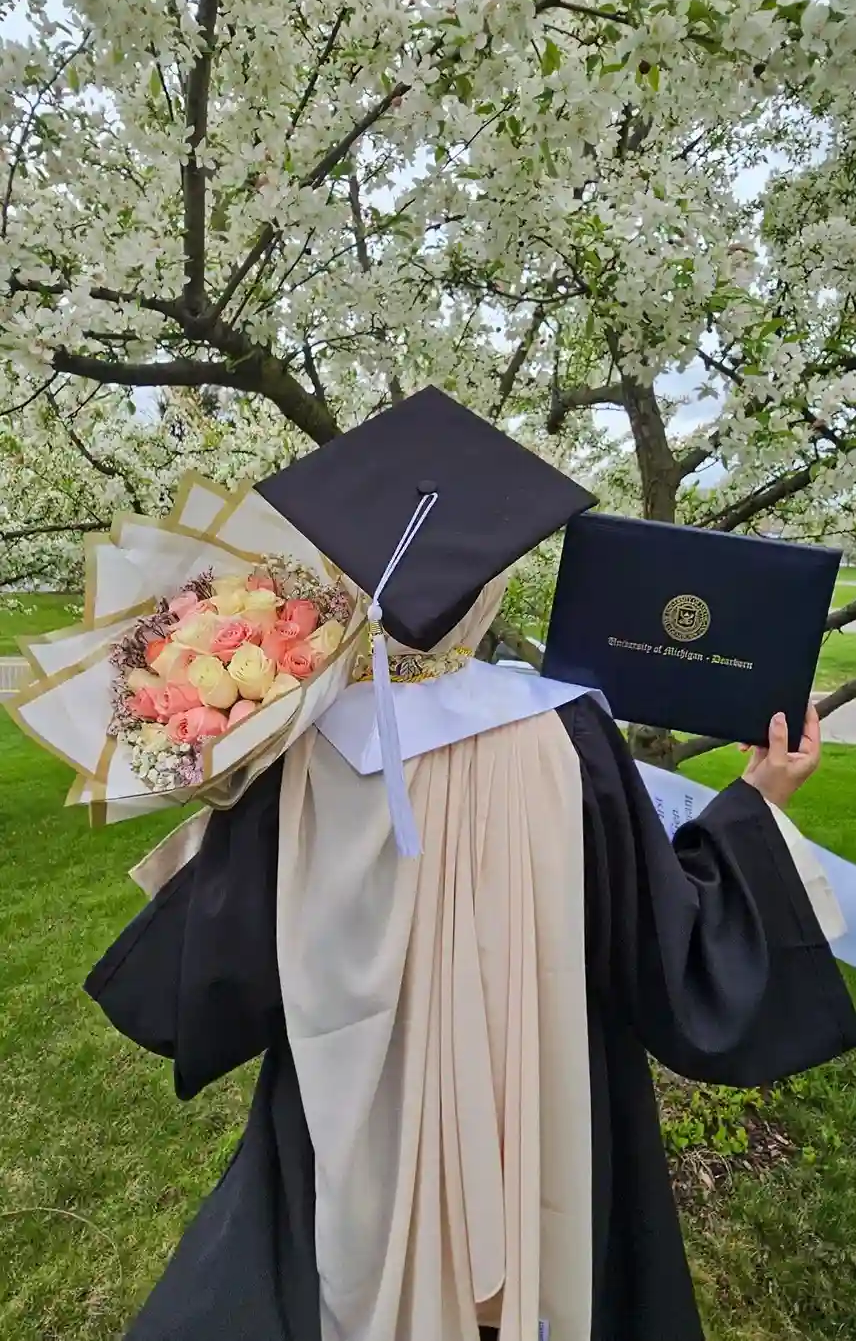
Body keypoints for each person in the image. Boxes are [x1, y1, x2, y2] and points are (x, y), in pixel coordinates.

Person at [83, 389, 856, 1341]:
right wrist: (755, 805)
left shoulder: (294, 748)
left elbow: (216, 962)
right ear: (490, 592)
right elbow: (662, 931)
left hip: (350, 1100)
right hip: (533, 1089)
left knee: (336, 1245)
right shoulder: (566, 731)